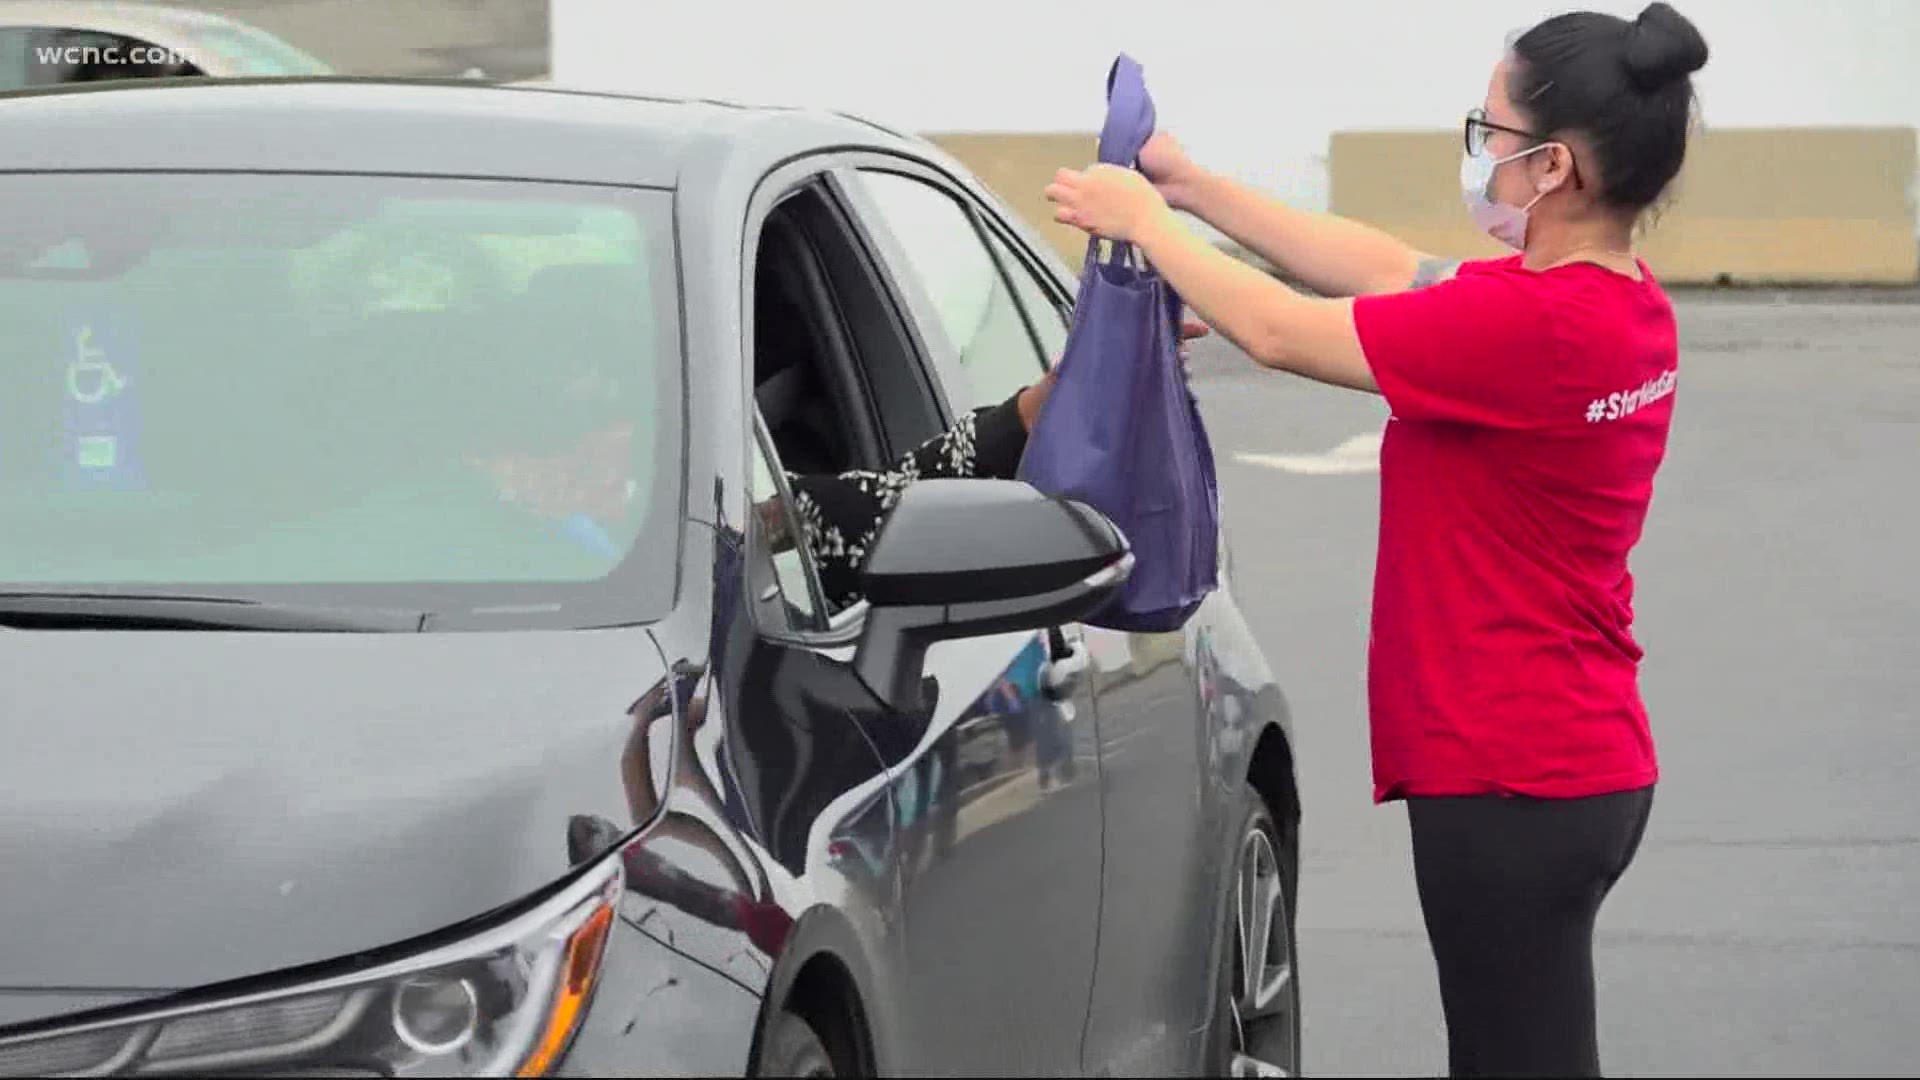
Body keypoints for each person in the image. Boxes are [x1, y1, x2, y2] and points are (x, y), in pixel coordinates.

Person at [1044, 5, 1707, 1077]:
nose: (1478, 149)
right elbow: (1382, 265)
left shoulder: (1531, 330)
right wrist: (1188, 184)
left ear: (1559, 166)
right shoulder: (1608, 305)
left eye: (1491, 130)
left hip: (1509, 778)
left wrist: (1145, 226)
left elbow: (1277, 332)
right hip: (1571, 760)